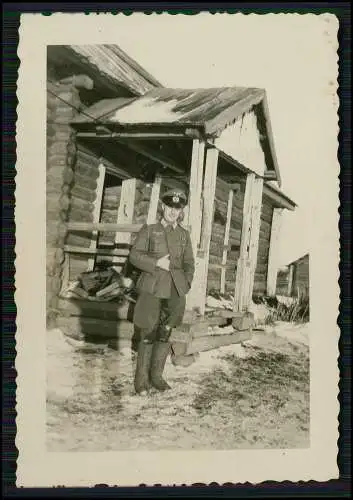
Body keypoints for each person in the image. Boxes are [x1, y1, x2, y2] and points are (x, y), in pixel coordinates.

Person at [129, 188, 195, 394]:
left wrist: (185, 283)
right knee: (147, 333)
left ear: (181, 210)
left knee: (165, 333)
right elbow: (134, 256)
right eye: (170, 207)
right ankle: (141, 382)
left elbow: (189, 263)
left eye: (178, 208)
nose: (173, 211)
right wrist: (156, 262)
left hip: (175, 291)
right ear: (163, 207)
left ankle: (156, 377)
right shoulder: (149, 230)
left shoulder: (184, 235)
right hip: (152, 288)